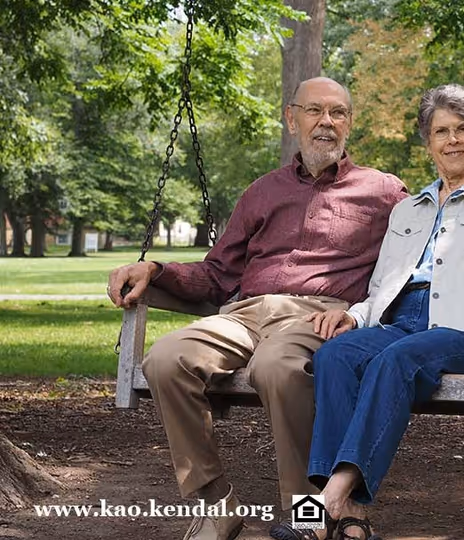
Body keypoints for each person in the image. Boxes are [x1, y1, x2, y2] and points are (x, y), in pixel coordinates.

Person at [106, 77, 407, 540]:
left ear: (350, 122)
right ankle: (216, 504)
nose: (326, 122)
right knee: (165, 359)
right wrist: (156, 270)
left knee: (278, 367)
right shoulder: (262, 192)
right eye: (314, 111)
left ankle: (308, 517)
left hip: (319, 314)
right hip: (245, 312)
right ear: (292, 119)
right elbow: (216, 273)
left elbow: (428, 239)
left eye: (338, 113)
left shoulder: (384, 191)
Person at [271, 84, 464, 540]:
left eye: (463, 129)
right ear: (428, 142)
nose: (453, 140)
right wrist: (356, 317)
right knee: (335, 356)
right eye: (441, 131)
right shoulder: (408, 211)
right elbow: (383, 286)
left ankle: (322, 507)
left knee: (396, 360)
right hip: (404, 323)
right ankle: (350, 520)